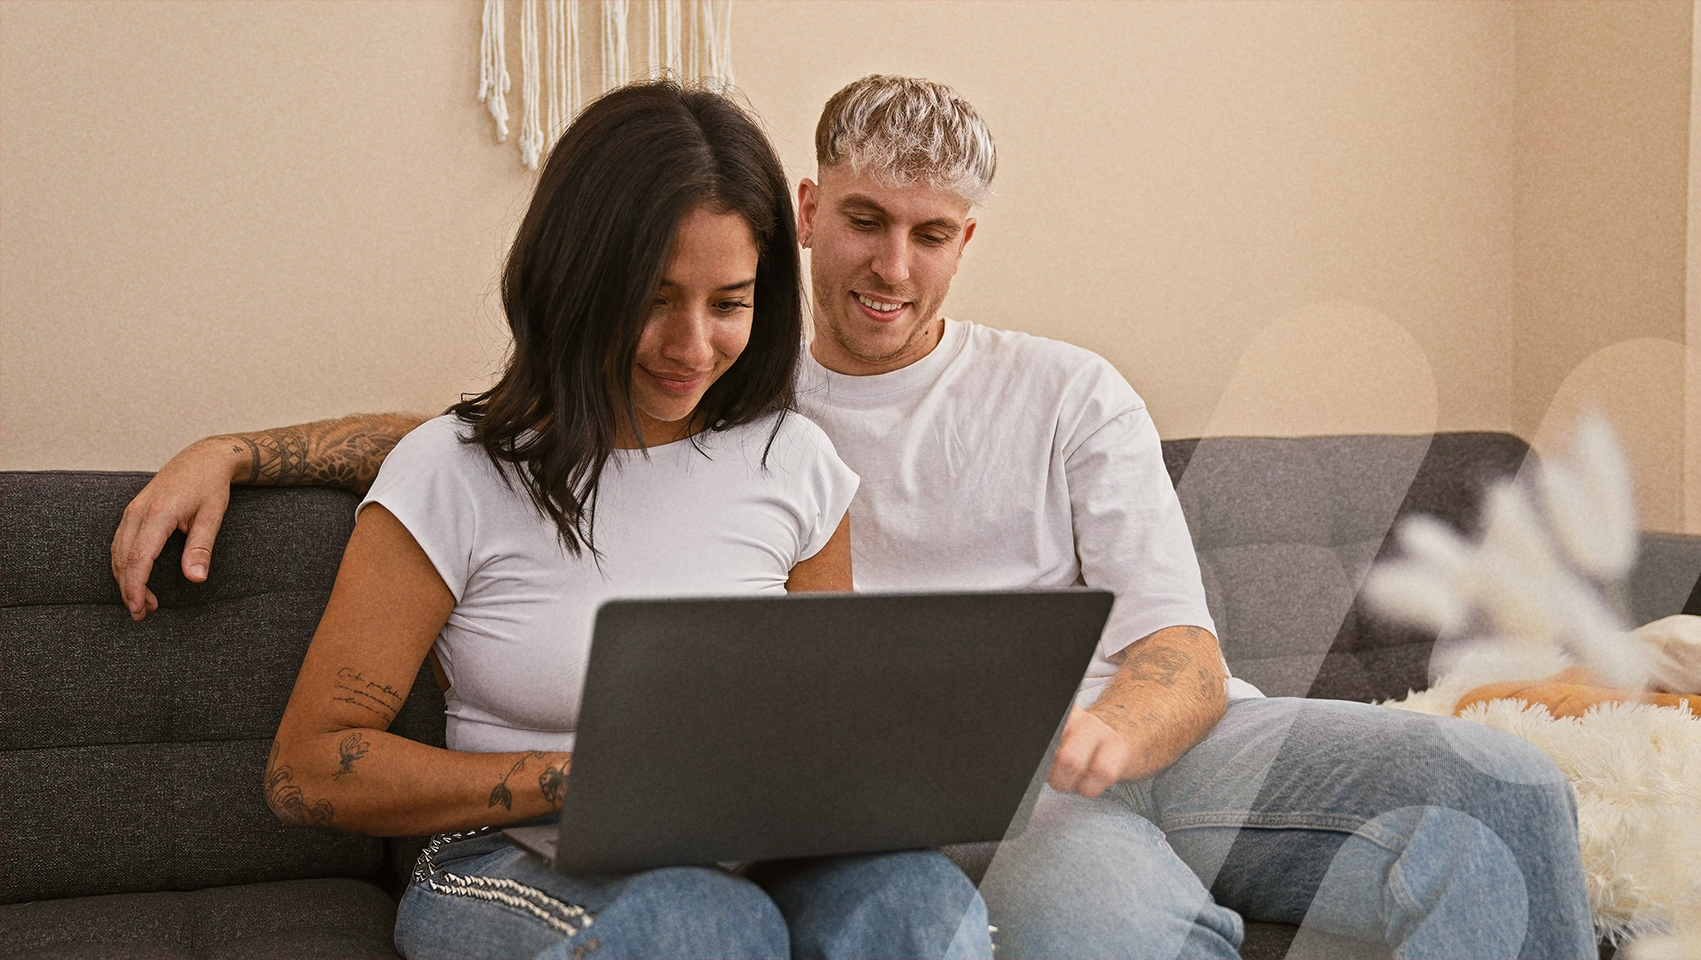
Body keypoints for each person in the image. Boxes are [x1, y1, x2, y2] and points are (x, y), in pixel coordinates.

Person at [113, 76, 1598, 959]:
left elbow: (1152, 663)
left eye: (724, 306)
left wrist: (1069, 746)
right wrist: (245, 447)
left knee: (1500, 797)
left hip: (1041, 778)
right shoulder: (587, 440)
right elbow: (490, 466)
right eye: (867, 222)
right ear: (811, 210)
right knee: (831, 929)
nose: (689, 344)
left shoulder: (877, 435)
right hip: (656, 843)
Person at [196, 80, 990, 960]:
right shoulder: (452, 471)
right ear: (576, 280)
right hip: (507, 858)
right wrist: (588, 783)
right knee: (705, 925)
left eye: (728, 303)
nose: (692, 347)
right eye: (653, 299)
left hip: (744, 851)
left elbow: (819, 725)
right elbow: (305, 771)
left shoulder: (795, 463)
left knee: (918, 898)